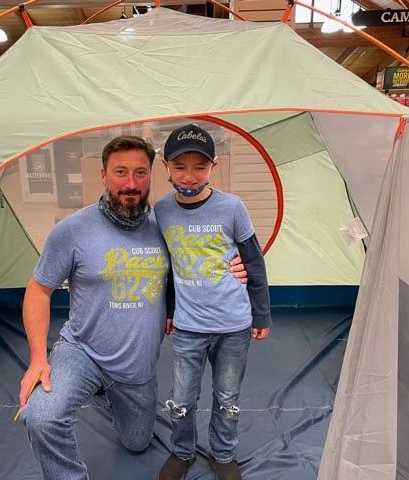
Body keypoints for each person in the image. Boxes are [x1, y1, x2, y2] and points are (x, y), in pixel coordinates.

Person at [19, 135, 247, 480]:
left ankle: (108, 394)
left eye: (140, 173)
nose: (130, 183)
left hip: (136, 367)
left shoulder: (167, 226)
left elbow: (200, 259)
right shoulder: (71, 230)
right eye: (120, 172)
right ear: (103, 175)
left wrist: (236, 266)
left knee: (138, 442)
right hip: (82, 351)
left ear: (152, 175)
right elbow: (38, 289)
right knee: (41, 417)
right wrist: (38, 358)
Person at [155, 124, 272, 480]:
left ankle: (223, 453)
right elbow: (169, 267)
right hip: (189, 326)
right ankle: (182, 450)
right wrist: (170, 310)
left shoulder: (232, 207)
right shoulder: (162, 211)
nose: (189, 176)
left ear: (213, 167)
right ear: (165, 166)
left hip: (232, 325)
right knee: (181, 399)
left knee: (227, 397)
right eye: (180, 167)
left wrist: (261, 314)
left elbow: (253, 262)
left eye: (199, 167)